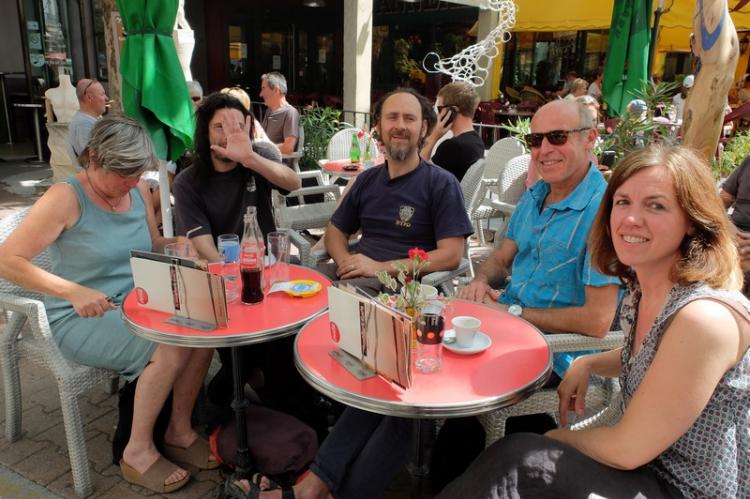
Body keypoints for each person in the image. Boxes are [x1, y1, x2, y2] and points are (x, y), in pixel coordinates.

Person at [438, 144, 750, 499]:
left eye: (656, 205)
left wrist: (554, 439)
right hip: (644, 471)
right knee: (506, 461)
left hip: (682, 488)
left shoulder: (704, 318)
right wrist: (590, 361)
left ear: (692, 221)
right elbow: (655, 356)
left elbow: (627, 448)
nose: (631, 219)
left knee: (522, 460)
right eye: (622, 202)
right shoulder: (644, 288)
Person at [251, 88, 473, 499]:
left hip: (405, 299)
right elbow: (336, 232)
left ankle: (318, 482)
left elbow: (452, 254)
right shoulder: (369, 179)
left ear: (424, 127)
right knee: (286, 337)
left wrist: (378, 268)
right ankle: (303, 442)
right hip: (352, 288)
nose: (400, 126)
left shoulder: (440, 184)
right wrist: (343, 260)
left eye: (410, 118)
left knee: (380, 385)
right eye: (392, 118)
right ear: (379, 129)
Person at [0, 116, 216, 493]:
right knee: (168, 343)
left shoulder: (133, 191)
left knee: (206, 328)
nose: (131, 185)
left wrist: (179, 246)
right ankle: (137, 451)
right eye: (123, 175)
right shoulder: (64, 198)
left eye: (137, 175)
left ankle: (178, 430)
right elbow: (8, 260)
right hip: (80, 316)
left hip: (137, 302)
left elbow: (148, 246)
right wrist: (72, 291)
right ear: (94, 158)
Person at [172, 92, 303, 413]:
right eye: (219, 126)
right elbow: (203, 245)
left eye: (236, 125)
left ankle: (256, 392)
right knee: (249, 351)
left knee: (287, 343)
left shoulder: (256, 159)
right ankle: (236, 393)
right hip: (225, 283)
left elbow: (294, 183)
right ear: (204, 132)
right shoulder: (189, 181)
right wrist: (238, 284)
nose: (229, 133)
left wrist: (251, 159)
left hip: (271, 276)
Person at [420, 80, 485, 181]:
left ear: (453, 110)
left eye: (440, 109)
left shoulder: (453, 146)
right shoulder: (477, 141)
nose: (437, 114)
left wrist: (433, 136)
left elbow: (418, 174)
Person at [259, 72, 299, 156]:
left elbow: (288, 147)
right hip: (262, 161)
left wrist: (262, 151)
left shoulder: (290, 112)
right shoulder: (269, 111)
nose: (261, 94)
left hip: (277, 164)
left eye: (263, 88)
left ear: (275, 90)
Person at [68, 78, 109, 156]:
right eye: (102, 94)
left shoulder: (86, 121)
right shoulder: (83, 124)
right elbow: (91, 159)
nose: (106, 98)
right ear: (89, 98)